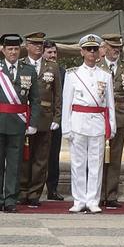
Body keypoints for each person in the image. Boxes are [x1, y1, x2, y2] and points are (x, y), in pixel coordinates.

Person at [61, 35, 112, 214]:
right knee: (77, 164)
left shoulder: (105, 75)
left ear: (99, 52)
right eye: (88, 49)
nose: (92, 52)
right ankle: (79, 199)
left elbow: (109, 104)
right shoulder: (72, 74)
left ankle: (92, 200)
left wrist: (110, 126)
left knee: (96, 164)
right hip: (78, 122)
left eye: (95, 49)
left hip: (97, 122)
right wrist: (66, 127)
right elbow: (66, 102)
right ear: (82, 51)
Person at [0, 33, 39, 212]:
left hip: (18, 123)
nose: (13, 52)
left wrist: (32, 123)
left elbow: (36, 99)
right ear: (3, 50)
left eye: (16, 49)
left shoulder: (28, 70)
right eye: (10, 49)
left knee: (15, 165)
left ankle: (10, 200)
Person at [21, 32, 60, 209]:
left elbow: (57, 95)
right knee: (23, 157)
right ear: (27, 46)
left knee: (41, 158)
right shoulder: (21, 65)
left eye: (40, 44)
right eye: (34, 44)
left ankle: (35, 193)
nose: (38, 47)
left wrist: (57, 117)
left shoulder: (52, 67)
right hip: (24, 116)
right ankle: (21, 191)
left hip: (45, 117)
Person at [99, 34, 124, 209]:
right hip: (100, 116)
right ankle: (97, 193)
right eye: (113, 47)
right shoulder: (97, 66)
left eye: (118, 47)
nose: (116, 50)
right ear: (104, 48)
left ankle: (111, 194)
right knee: (98, 156)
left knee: (115, 157)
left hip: (120, 115)